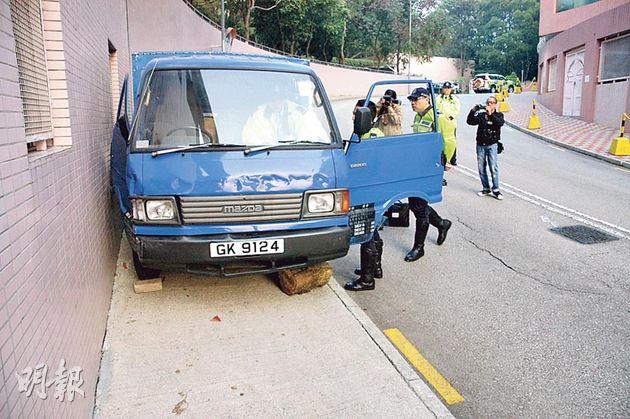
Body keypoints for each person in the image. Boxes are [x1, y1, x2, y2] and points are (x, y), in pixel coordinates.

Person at [404, 87, 452, 262]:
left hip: (429, 168)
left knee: (419, 206)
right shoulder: (418, 117)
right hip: (417, 166)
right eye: (411, 101)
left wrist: (445, 161)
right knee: (415, 204)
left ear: (426, 99)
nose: (413, 103)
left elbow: (449, 139)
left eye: (416, 100)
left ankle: (419, 248)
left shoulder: (437, 117)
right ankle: (441, 224)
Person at [345, 100, 384, 291]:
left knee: (365, 231)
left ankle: (367, 280)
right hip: (371, 188)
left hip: (367, 189)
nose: (353, 117)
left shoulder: (370, 135)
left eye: (356, 114)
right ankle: (375, 268)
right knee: (373, 229)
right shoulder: (366, 133)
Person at [466, 96, 504, 200]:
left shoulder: (499, 115)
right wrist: (473, 111)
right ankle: (486, 188)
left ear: (495, 104)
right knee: (481, 167)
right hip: (480, 145)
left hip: (492, 145)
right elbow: (470, 122)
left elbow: (499, 123)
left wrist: (491, 114)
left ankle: (496, 189)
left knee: (493, 167)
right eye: (488, 102)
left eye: (492, 102)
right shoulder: (482, 115)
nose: (490, 104)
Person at [435, 81, 461, 184]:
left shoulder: (454, 99)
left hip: (450, 126)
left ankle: (452, 159)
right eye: (445, 88)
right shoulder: (438, 98)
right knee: (439, 150)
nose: (446, 90)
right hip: (439, 126)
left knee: (450, 146)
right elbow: (435, 109)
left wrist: (450, 116)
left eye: (448, 88)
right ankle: (439, 174)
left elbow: (456, 110)